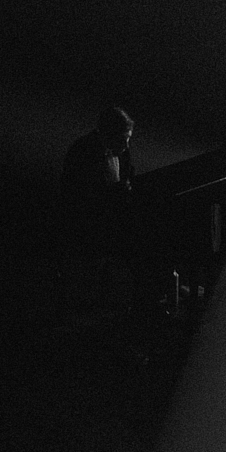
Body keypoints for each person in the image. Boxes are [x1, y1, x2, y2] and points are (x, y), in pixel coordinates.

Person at [57, 105, 136, 325]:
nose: (127, 145)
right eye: (123, 138)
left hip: (108, 232)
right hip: (86, 233)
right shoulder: (82, 152)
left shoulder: (121, 151)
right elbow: (76, 197)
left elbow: (128, 177)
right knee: (85, 290)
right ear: (108, 134)